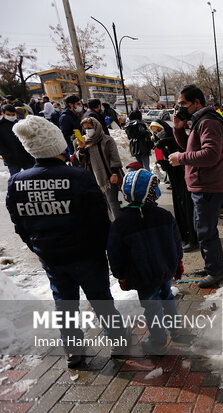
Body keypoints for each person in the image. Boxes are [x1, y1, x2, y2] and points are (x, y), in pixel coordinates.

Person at [6, 115, 128, 367]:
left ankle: (73, 350)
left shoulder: (17, 182)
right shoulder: (78, 177)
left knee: (64, 304)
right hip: (87, 255)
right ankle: (117, 339)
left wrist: (39, 248)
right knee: (101, 300)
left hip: (51, 257)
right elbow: (100, 219)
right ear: (58, 146)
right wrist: (103, 249)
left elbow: (20, 225)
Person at [107, 169, 183, 355]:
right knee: (167, 297)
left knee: (151, 306)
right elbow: (176, 243)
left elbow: (114, 252)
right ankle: (175, 327)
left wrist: (121, 276)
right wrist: (177, 262)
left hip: (142, 277)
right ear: (153, 192)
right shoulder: (165, 216)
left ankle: (158, 340)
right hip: (165, 270)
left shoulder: (120, 223)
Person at [169, 84, 223, 288]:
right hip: (203, 185)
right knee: (203, 229)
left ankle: (216, 272)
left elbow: (210, 155)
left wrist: (181, 158)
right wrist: (178, 129)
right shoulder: (200, 121)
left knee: (205, 231)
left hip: (208, 186)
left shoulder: (208, 122)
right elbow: (190, 146)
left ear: (197, 102)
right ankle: (212, 265)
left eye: (183, 104)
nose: (180, 108)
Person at [151, 121, 198, 252]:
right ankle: (184, 234)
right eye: (154, 132)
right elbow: (169, 164)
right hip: (175, 180)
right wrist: (162, 162)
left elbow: (183, 155)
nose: (157, 133)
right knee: (180, 207)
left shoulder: (176, 140)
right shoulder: (161, 144)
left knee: (188, 208)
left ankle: (193, 238)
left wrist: (168, 144)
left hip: (184, 179)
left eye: (158, 130)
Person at [75, 117, 123, 220]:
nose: (87, 130)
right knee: (101, 204)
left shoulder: (107, 140)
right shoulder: (85, 141)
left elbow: (114, 157)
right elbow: (81, 160)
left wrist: (114, 173)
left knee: (112, 202)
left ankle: (120, 225)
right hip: (93, 178)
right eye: (85, 128)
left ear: (96, 127)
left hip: (108, 176)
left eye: (89, 127)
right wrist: (81, 147)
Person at [0, 104, 34, 176]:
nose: (11, 117)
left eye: (13, 114)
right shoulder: (1, 126)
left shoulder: (19, 122)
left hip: (26, 157)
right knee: (15, 181)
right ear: (2, 113)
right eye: (8, 114)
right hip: (12, 160)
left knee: (32, 178)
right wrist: (7, 156)